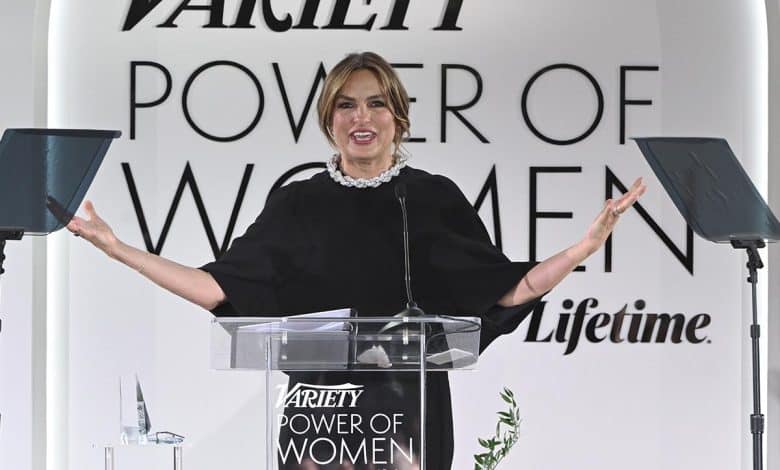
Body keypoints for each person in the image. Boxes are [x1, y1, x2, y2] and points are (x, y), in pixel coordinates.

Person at [68, 52, 645, 469]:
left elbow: (505, 289)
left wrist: (583, 248)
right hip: (320, 414)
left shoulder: (432, 197)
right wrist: (119, 250)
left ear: (398, 118)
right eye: (345, 105)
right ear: (329, 121)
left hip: (409, 414)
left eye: (374, 104)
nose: (360, 117)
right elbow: (221, 288)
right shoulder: (298, 202)